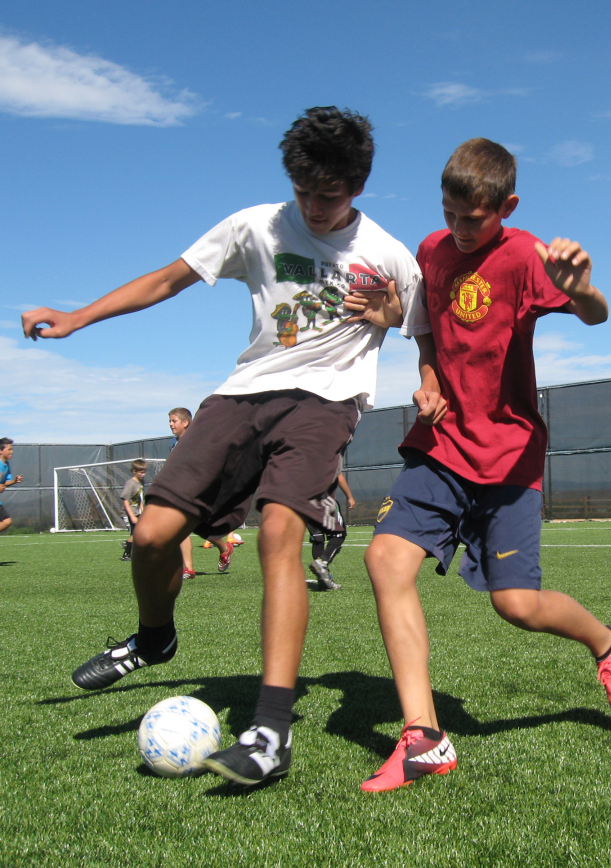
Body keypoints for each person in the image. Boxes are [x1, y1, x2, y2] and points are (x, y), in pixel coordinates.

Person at [21, 106, 426, 788]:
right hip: (243, 393)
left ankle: (270, 731)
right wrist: (80, 316)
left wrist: (424, 375)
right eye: (305, 193)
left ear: (357, 187)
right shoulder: (256, 225)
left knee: (277, 533)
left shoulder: (389, 255)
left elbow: (428, 334)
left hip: (325, 401)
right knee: (151, 535)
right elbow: (168, 278)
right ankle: (155, 638)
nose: (315, 208)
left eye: (329, 196)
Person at [350, 138, 611, 792]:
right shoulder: (431, 251)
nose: (458, 230)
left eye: (473, 219)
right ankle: (423, 736)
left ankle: (610, 644)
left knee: (516, 605)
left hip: (508, 454)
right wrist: (428, 380)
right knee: (383, 558)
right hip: (442, 443)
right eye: (450, 214)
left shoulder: (524, 255)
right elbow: (425, 330)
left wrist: (583, 290)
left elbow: (597, 316)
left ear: (506, 207)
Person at [168, 407, 233, 578]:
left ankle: (224, 548)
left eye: (174, 421)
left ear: (185, 422)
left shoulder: (196, 440)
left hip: (198, 490)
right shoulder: (173, 444)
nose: (170, 424)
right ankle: (189, 568)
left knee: (197, 527)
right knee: (184, 527)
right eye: (170, 421)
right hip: (181, 491)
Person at [306, 472, 356, 590]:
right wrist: (349, 496)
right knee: (339, 535)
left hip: (306, 504)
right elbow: (338, 475)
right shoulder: (326, 455)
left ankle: (323, 579)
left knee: (318, 539)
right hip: (325, 501)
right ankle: (322, 563)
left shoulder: (299, 457)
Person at [119, 460, 147, 561]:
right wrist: (132, 516)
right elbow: (125, 500)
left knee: (140, 532)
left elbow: (139, 499)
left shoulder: (140, 483)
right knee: (134, 533)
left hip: (137, 512)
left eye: (144, 472)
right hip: (128, 513)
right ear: (134, 471)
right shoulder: (130, 483)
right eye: (141, 472)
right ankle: (126, 555)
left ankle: (128, 545)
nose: (143, 474)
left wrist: (143, 511)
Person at [0, 438, 23, 534]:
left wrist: (14, 481)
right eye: (9, 449)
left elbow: (5, 482)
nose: (12, 452)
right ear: (0, 451)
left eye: (11, 449)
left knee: (7, 521)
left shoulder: (6, 464)